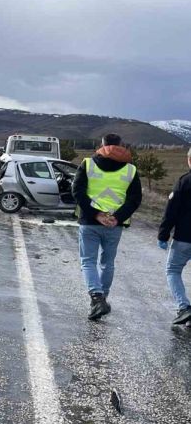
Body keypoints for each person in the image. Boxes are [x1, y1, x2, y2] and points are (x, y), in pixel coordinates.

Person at [72, 134, 141, 320]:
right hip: (114, 225)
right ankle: (102, 298)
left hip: (90, 221)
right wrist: (117, 218)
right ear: (120, 145)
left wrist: (96, 214)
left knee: (88, 261)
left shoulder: (88, 164)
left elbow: (77, 191)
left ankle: (97, 298)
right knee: (107, 263)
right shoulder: (131, 170)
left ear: (102, 145)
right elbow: (135, 199)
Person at [158, 147, 191, 325]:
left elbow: (171, 211)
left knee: (173, 270)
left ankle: (184, 307)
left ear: (189, 160)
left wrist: (163, 235)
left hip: (184, 237)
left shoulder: (184, 181)